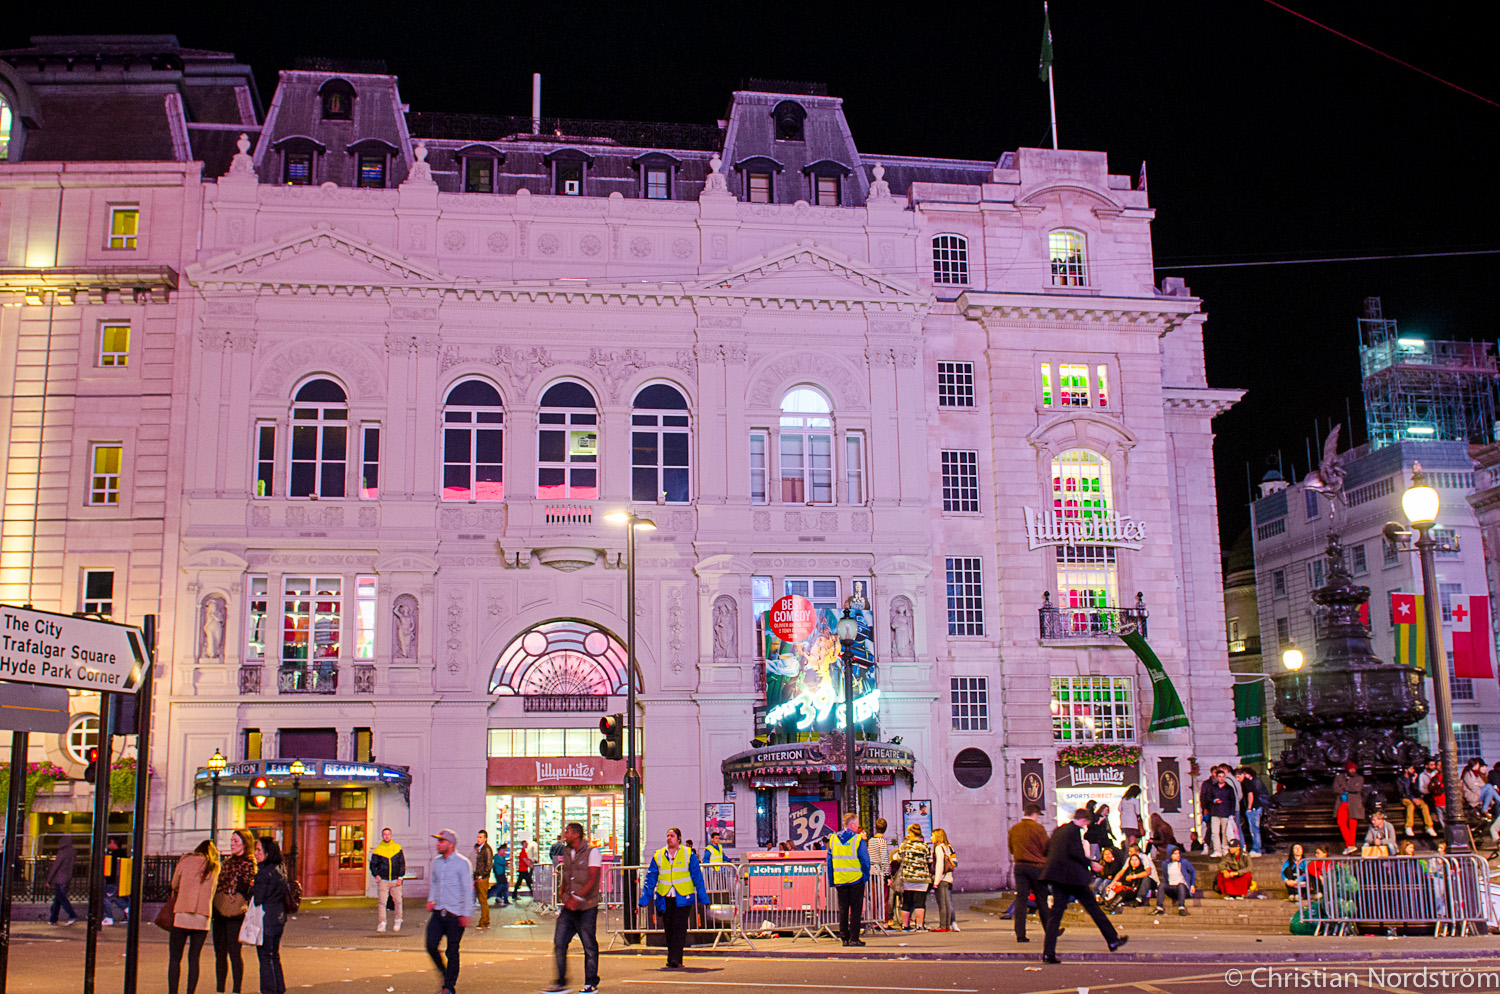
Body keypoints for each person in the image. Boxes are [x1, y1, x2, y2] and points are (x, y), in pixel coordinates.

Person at [1040, 808, 1126, 965]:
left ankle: (1048, 953)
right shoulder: (1073, 831)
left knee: (1055, 916)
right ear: (1085, 820)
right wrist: (1091, 863)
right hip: (1073, 878)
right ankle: (1112, 939)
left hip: (1058, 878)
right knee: (1093, 909)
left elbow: (1046, 850)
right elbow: (1075, 852)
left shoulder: (1059, 830)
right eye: (1087, 823)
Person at [544, 821, 602, 994]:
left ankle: (590, 982)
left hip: (586, 906)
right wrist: (563, 893)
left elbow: (593, 879)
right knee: (559, 942)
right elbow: (566, 874)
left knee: (589, 944)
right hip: (569, 906)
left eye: (567, 832)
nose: (564, 834)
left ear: (576, 834)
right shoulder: (567, 851)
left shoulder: (592, 852)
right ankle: (560, 982)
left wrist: (577, 898)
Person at [639, 827, 708, 969]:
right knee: (669, 929)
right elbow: (651, 878)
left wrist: (703, 897)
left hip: (683, 897)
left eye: (672, 836)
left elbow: (697, 876)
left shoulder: (688, 854)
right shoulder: (659, 855)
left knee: (679, 928)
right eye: (667, 835)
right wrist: (645, 899)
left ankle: (676, 958)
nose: (669, 838)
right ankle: (672, 958)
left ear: (679, 838)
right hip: (665, 897)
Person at [168, 840, 221, 994]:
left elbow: (174, 884)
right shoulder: (214, 866)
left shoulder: (185, 861)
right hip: (202, 918)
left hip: (182, 915)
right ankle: (190, 992)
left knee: (175, 958)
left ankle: (173, 992)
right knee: (194, 958)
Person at [425, 829, 475, 994]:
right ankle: (445, 973)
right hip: (439, 911)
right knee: (431, 944)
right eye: (438, 841)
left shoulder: (462, 863)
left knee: (452, 950)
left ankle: (449, 986)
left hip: (456, 914)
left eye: (441, 841)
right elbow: (434, 882)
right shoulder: (436, 862)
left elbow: (468, 890)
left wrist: (466, 913)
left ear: (451, 845)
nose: (437, 844)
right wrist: (431, 899)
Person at [212, 829, 257, 994]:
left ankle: (236, 989)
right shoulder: (227, 863)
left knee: (234, 952)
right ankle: (220, 989)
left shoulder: (249, 863)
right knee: (220, 952)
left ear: (245, 843)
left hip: (235, 913)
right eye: (231, 841)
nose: (232, 844)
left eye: (236, 841)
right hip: (219, 910)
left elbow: (246, 888)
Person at [251, 836, 289, 994]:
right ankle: (279, 988)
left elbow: (258, 898)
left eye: (259, 850)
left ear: (267, 853)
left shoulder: (263, 873)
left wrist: (252, 888)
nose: (255, 853)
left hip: (266, 917)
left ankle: (268, 990)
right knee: (274, 955)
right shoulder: (281, 869)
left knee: (265, 957)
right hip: (279, 916)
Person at [826, 813, 870, 946]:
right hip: (855, 879)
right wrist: (865, 876)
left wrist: (832, 879)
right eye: (857, 824)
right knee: (856, 910)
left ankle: (844, 938)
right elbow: (864, 859)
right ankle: (854, 938)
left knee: (843, 909)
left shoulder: (833, 839)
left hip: (840, 879)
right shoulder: (857, 839)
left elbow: (829, 861)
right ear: (852, 825)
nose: (858, 827)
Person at [1008, 804, 1049, 943]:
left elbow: (1011, 849)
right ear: (1035, 814)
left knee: (1021, 900)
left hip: (1020, 866)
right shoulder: (1038, 828)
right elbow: (1046, 848)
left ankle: (1020, 933)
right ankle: (1050, 930)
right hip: (1036, 867)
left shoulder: (1014, 828)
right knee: (1041, 899)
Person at [892, 824, 933, 930]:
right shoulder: (925, 846)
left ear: (911, 833)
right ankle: (919, 926)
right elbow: (929, 861)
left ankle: (905, 925)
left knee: (907, 902)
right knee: (920, 902)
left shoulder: (904, 846)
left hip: (907, 876)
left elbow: (899, 859)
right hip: (922, 877)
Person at [369, 827, 405, 933]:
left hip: (395, 879)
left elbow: (402, 864)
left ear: (391, 835)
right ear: (382, 836)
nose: (387, 836)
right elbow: (372, 865)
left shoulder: (397, 848)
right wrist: (376, 875)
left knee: (398, 901)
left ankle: (398, 920)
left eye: (388, 834)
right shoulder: (378, 850)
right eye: (385, 834)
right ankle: (382, 923)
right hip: (383, 880)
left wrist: (400, 877)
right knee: (382, 902)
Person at [1331, 761, 1366, 855]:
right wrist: (1349, 788)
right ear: (1347, 769)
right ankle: (1350, 845)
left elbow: (1357, 789)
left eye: (1354, 769)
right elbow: (1335, 789)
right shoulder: (1339, 777)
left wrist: (1344, 787)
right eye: (1351, 769)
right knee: (1341, 822)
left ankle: (1349, 846)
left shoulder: (1359, 778)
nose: (1353, 771)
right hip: (1342, 803)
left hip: (1354, 805)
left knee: (1352, 826)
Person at [1396, 764, 1437, 839]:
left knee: (1424, 806)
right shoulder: (1400, 779)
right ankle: (1408, 826)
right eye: (1411, 769)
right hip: (1405, 798)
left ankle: (1429, 826)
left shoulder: (1413, 778)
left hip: (1415, 797)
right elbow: (1401, 792)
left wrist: (1414, 782)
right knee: (1410, 806)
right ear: (1406, 770)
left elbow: (1417, 791)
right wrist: (1412, 799)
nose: (1413, 770)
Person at [1204, 767, 1238, 857]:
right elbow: (1208, 798)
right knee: (1215, 832)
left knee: (1225, 832)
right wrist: (1214, 801)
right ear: (1216, 777)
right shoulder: (1213, 788)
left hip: (1226, 813)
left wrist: (1232, 814)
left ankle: (1225, 849)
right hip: (1215, 812)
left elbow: (1233, 801)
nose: (1221, 778)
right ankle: (1217, 850)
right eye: (1219, 776)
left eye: (1223, 776)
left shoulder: (1229, 788)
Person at [1152, 846, 1195, 916]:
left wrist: (1192, 884)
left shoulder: (1184, 862)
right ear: (1170, 855)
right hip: (1172, 888)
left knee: (1181, 885)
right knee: (1162, 885)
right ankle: (1159, 907)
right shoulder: (1165, 864)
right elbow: (1165, 877)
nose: (1178, 855)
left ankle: (1181, 907)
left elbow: (1193, 871)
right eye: (1175, 854)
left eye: (1178, 853)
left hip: (1183, 889)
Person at [46, 835, 79, 925]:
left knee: (61, 898)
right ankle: (53, 919)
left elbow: (55, 866)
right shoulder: (72, 851)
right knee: (58, 899)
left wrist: (49, 879)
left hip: (60, 878)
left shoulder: (62, 852)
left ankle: (72, 915)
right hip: (68, 878)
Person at [866, 818, 892, 928]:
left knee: (874, 897)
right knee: (884, 898)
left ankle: (874, 920)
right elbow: (884, 859)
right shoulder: (882, 842)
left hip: (872, 871)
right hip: (880, 872)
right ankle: (884, 921)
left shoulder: (871, 841)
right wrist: (887, 875)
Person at [1237, 767, 1268, 857]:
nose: (1237, 779)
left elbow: (1250, 795)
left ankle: (1256, 849)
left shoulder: (1246, 783)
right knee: (1254, 830)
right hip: (1255, 808)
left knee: (1254, 830)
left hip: (1254, 809)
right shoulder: (1248, 782)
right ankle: (1256, 849)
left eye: (1238, 777)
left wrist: (1249, 808)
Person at [931, 827, 957, 932]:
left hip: (942, 879)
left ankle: (942, 926)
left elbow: (939, 865)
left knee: (942, 904)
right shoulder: (949, 847)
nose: (931, 838)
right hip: (949, 878)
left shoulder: (939, 848)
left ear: (937, 837)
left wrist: (936, 881)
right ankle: (947, 926)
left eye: (933, 836)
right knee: (947, 903)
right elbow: (954, 862)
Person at [102, 837, 129, 925]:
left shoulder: (114, 855)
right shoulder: (122, 854)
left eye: (110, 843)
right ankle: (127, 910)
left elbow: (112, 869)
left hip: (113, 880)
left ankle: (109, 917)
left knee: (107, 898)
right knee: (115, 897)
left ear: (113, 843)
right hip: (119, 880)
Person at [472, 830, 493, 929]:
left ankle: (483, 921)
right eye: (478, 837)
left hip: (482, 878)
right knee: (482, 900)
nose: (478, 839)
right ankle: (486, 921)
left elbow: (488, 865)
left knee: (483, 900)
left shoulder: (486, 849)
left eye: (480, 837)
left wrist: (482, 876)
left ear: (485, 839)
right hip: (480, 877)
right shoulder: (481, 849)